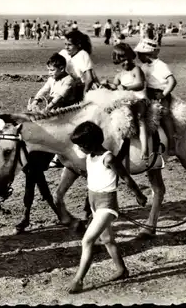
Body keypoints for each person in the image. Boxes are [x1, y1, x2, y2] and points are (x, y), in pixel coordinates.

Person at [67, 121, 147, 293]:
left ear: (90, 143)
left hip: (107, 205)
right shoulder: (90, 156)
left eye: (81, 145)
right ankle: (122, 270)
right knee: (108, 240)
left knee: (87, 240)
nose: (79, 148)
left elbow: (126, 178)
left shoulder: (108, 158)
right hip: (94, 202)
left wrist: (139, 195)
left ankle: (78, 279)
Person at [101, 43, 149, 162]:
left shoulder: (136, 70)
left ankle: (145, 148)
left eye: (128, 59)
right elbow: (115, 86)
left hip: (139, 99)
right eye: (122, 60)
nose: (126, 63)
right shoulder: (120, 75)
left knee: (140, 118)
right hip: (126, 101)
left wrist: (126, 88)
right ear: (117, 61)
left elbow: (139, 84)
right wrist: (107, 84)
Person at [134, 38, 177, 156]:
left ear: (147, 54)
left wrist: (164, 94)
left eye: (140, 54)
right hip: (148, 93)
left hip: (160, 93)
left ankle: (172, 142)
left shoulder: (161, 66)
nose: (138, 57)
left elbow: (172, 81)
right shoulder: (144, 66)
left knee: (164, 114)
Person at [60, 30, 100, 94]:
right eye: (65, 44)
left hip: (84, 87)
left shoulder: (82, 54)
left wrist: (84, 95)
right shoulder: (63, 53)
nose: (66, 47)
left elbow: (89, 79)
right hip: (69, 86)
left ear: (79, 45)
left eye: (69, 45)